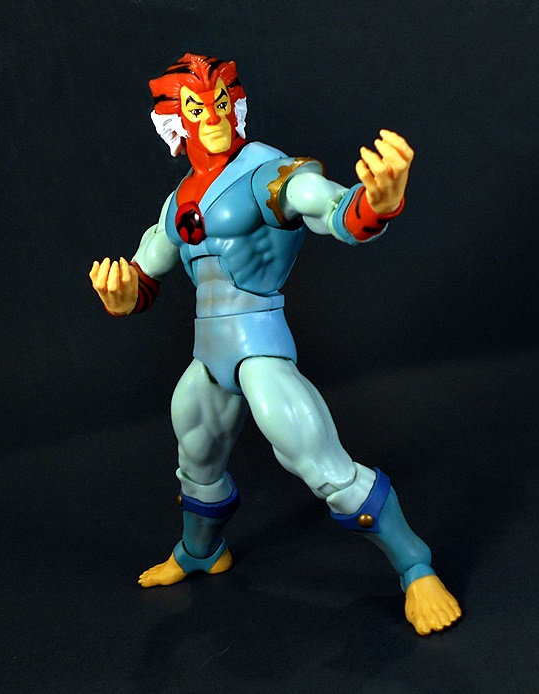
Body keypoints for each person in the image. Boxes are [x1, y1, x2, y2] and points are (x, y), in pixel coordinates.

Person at [90, 53, 461, 635]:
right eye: (197, 108)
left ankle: (415, 566)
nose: (213, 118)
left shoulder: (267, 171)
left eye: (219, 103)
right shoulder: (176, 200)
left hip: (258, 344)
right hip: (210, 353)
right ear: (176, 121)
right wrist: (121, 292)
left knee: (316, 459)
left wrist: (375, 203)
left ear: (234, 105)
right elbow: (145, 273)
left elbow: (327, 205)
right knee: (196, 452)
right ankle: (201, 551)